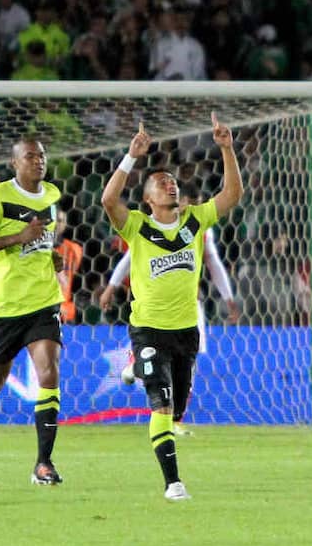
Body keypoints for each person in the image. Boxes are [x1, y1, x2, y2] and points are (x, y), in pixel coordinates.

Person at [100, 115, 242, 501]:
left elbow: (231, 195)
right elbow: (108, 200)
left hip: (186, 331)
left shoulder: (195, 221)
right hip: (148, 328)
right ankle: (173, 482)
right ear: (148, 198)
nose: (170, 184)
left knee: (177, 408)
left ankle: (137, 367)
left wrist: (226, 147)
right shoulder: (137, 226)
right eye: (161, 183)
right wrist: (130, 158)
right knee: (160, 404)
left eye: (173, 182)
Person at [0, 137, 66, 486]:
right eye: (30, 156)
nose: (38, 161)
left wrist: (50, 254)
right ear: (14, 162)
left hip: (43, 301)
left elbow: (41, 238)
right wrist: (17, 238)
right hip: (4, 307)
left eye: (42, 155)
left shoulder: (51, 194)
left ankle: (43, 464)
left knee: (48, 373)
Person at [101, 204, 240, 436]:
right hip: (155, 305)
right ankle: (140, 368)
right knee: (158, 359)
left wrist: (228, 297)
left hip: (188, 305)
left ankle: (174, 418)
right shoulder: (148, 227)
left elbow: (213, 262)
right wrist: (112, 286)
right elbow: (129, 257)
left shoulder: (199, 227)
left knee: (186, 364)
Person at [54, 209, 83, 323]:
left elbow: (74, 274)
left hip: (65, 308)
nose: (56, 224)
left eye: (60, 221)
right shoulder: (37, 249)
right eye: (54, 220)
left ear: (65, 224)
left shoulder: (74, 249)